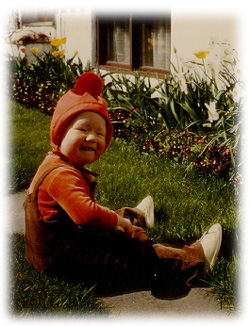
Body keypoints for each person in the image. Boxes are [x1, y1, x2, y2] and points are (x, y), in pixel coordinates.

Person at [24, 72, 222, 298]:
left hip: (55, 253)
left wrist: (116, 221)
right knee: (135, 253)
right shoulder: (61, 175)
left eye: (100, 133)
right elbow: (86, 215)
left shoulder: (57, 163)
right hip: (71, 264)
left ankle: (136, 216)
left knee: (110, 223)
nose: (92, 138)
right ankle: (194, 261)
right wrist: (117, 222)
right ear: (60, 133)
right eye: (82, 129)